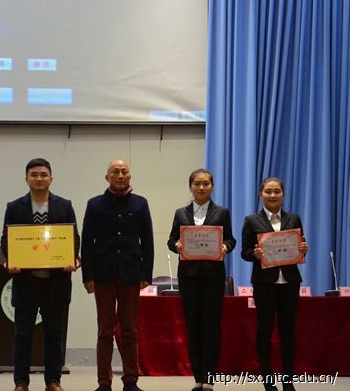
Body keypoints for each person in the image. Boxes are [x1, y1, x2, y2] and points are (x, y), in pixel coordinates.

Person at [0, 158, 80, 391]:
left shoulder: (65, 206)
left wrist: (72, 257)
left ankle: (53, 381)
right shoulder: (14, 207)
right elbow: (6, 239)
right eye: (34, 174)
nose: (39, 178)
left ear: (51, 179)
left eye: (43, 174)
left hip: (57, 282)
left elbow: (73, 237)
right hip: (25, 282)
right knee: (22, 335)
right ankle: (21, 382)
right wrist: (11, 259)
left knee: (54, 334)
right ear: (26, 179)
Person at [81, 159, 154, 391]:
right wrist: (87, 276)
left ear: (129, 176)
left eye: (124, 172)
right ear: (107, 177)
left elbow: (147, 241)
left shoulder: (140, 204)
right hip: (102, 275)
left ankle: (131, 380)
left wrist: (146, 273)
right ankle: (104, 382)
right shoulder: (95, 204)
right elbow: (86, 242)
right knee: (105, 331)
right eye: (115, 172)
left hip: (131, 274)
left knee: (130, 331)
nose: (120, 175)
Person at [167, 169, 237, 391]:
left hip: (213, 276)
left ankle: (209, 377)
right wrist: (177, 245)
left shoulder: (222, 212)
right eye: (197, 183)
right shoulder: (180, 213)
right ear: (190, 186)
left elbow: (231, 239)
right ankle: (198, 377)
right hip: (188, 276)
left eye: (206, 183)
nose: (201, 187)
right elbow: (171, 240)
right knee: (193, 326)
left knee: (211, 327)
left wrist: (225, 247)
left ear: (212, 187)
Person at [241, 177, 308, 391]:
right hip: (264, 283)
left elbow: (300, 246)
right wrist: (255, 254)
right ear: (260, 194)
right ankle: (268, 382)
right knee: (265, 331)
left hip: (290, 282)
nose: (272, 195)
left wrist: (303, 249)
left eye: (277, 191)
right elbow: (245, 252)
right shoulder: (251, 220)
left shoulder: (294, 218)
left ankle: (288, 381)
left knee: (288, 332)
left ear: (283, 194)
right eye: (268, 191)